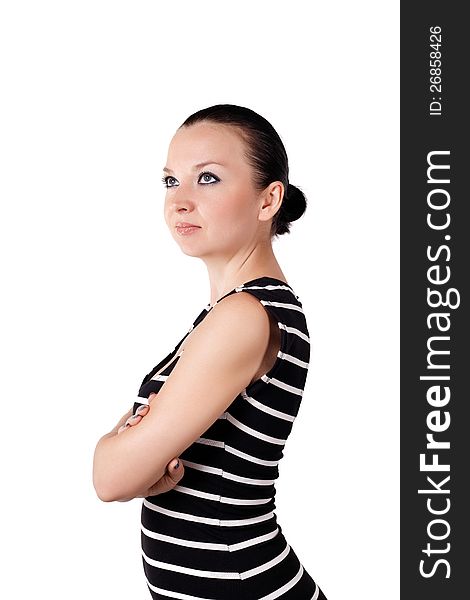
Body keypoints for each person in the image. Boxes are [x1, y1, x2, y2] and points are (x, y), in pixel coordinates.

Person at [93, 104, 328, 599]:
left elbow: (110, 478)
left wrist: (120, 447)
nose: (179, 201)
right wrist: (136, 455)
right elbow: (129, 468)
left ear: (268, 201)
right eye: (170, 181)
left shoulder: (244, 316)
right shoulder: (232, 314)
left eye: (208, 178)